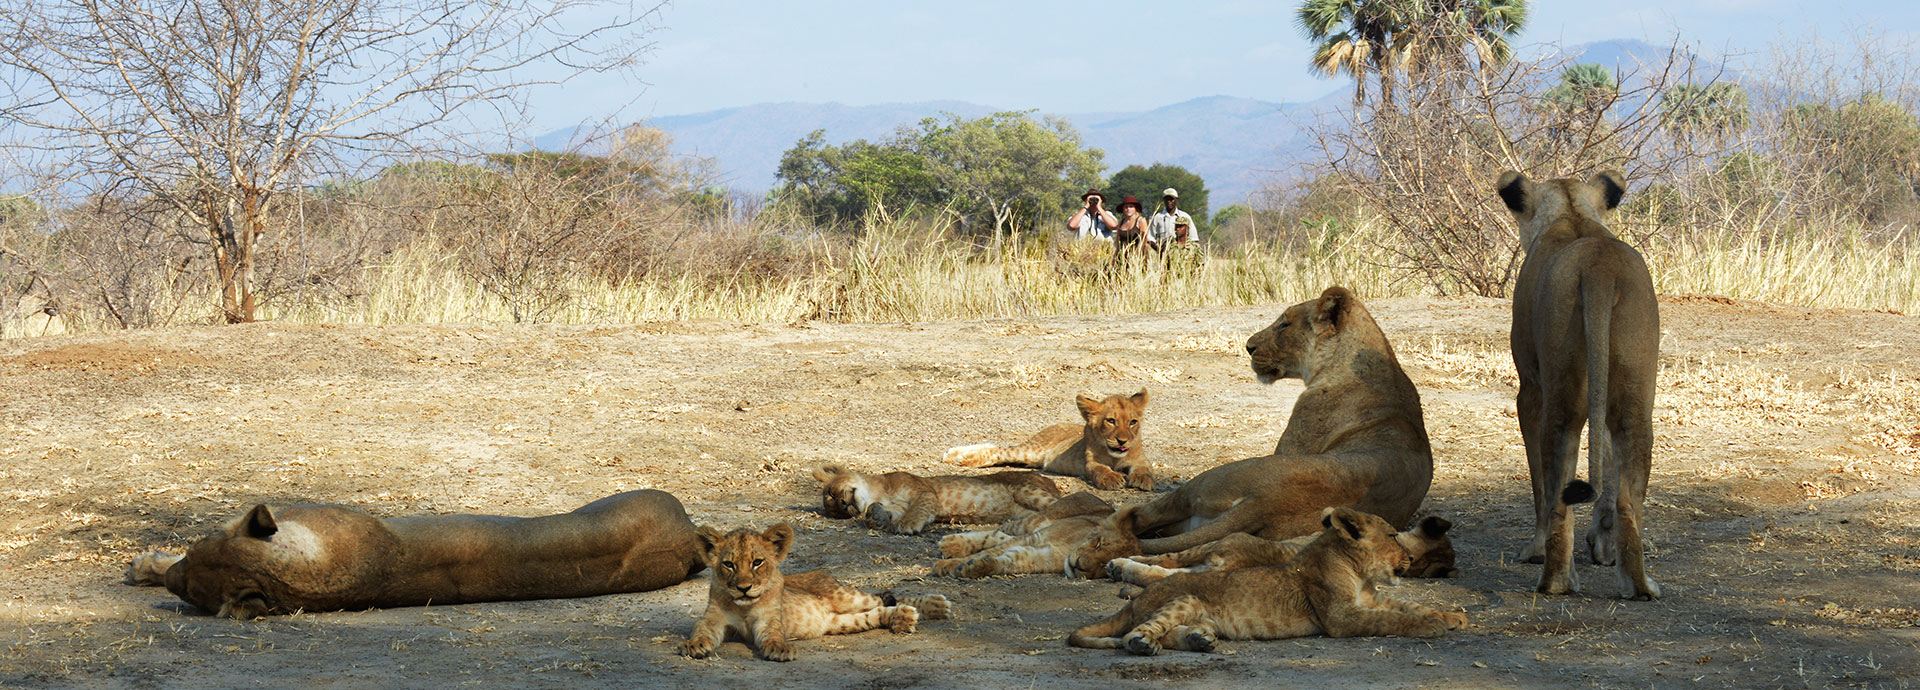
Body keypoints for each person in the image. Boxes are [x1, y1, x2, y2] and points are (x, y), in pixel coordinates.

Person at [1146, 187, 1195, 253]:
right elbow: (1150, 237)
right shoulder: (1158, 217)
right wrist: (1159, 249)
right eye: (1167, 199)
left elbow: (1193, 237)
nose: (1169, 202)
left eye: (1171, 199)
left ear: (1176, 200)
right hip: (1163, 254)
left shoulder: (1185, 216)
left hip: (1182, 253)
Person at [1110, 195, 1149, 269]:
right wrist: (1112, 259)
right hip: (1122, 257)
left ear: (1135, 209)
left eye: (1131, 206)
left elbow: (1144, 241)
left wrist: (1140, 258)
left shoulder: (1140, 221)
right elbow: (1117, 243)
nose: (1128, 209)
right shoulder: (1121, 223)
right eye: (1126, 207)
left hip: (1137, 257)